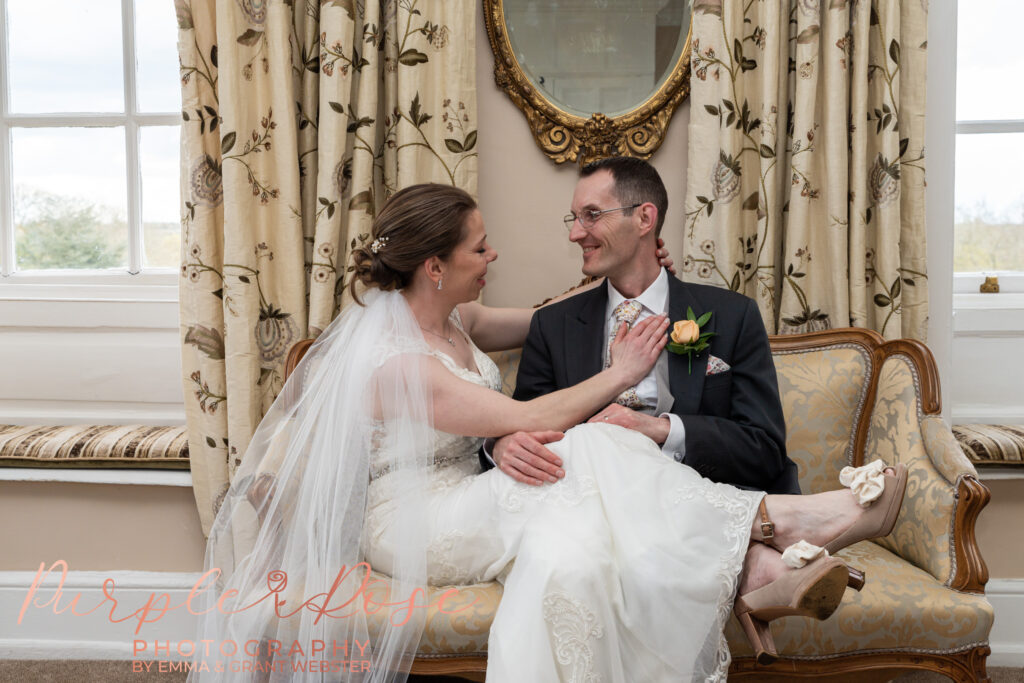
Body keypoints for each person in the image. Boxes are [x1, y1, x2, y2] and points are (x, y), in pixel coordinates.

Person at [189, 183, 907, 682]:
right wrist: (621, 372)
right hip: (418, 520)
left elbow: (552, 316)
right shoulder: (395, 364)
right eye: (479, 248)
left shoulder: (456, 319)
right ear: (435, 267)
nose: (492, 255)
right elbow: (531, 418)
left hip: (486, 496)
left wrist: (634, 275)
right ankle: (781, 520)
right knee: (598, 437)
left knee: (574, 558)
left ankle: (760, 572)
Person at [488, 156, 798, 497]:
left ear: (644, 218)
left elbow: (764, 451)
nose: (576, 233)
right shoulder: (553, 325)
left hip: (698, 497)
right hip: (588, 500)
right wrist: (503, 443)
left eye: (591, 215)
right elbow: (523, 427)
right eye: (574, 219)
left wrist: (658, 429)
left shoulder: (733, 316)